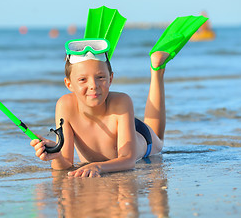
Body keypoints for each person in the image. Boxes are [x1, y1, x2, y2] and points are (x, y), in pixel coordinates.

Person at [31, 47, 168, 177]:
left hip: (140, 136)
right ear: (69, 84)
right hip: (119, 122)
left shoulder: (122, 101)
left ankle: (157, 70)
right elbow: (66, 164)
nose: (93, 86)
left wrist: (98, 167)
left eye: (100, 77)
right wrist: (56, 155)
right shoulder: (65, 105)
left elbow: (128, 160)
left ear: (111, 79)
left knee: (158, 138)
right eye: (82, 79)